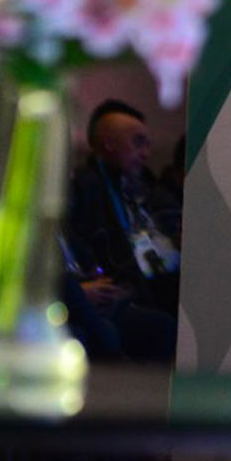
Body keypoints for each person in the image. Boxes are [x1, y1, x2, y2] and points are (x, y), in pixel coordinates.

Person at [65, 99, 180, 362]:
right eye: (138, 143)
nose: (146, 153)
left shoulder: (145, 187)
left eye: (148, 144)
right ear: (108, 144)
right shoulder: (86, 188)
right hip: (106, 289)